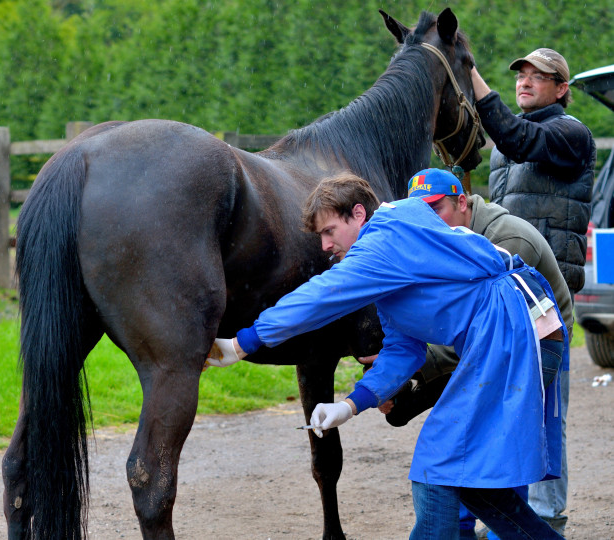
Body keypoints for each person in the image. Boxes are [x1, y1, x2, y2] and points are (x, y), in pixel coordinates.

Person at [207, 169, 566, 539]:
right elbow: (403, 350)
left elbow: (323, 295)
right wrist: (348, 406)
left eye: (329, 231)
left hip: (513, 331)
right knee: (473, 485)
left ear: (359, 214)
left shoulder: (386, 237)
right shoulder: (391, 267)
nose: (325, 246)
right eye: (320, 237)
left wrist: (243, 342)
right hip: (516, 331)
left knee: (438, 463)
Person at [371, 173, 572, 538]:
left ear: (462, 202)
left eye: (437, 209)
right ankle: (464, 529)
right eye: (422, 213)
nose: (430, 221)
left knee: (497, 449)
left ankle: (504, 530)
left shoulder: (503, 239)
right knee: (465, 451)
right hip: (486, 347)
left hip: (535, 347)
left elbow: (496, 326)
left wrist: (411, 372)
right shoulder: (448, 240)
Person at [470, 47, 596, 536]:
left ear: (561, 88)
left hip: (547, 299)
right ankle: (509, 514)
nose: (525, 81)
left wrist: (472, 76)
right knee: (505, 405)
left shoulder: (570, 134)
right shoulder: (507, 147)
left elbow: (517, 135)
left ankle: (546, 518)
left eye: (538, 75)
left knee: (544, 411)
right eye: (521, 73)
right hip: (505, 295)